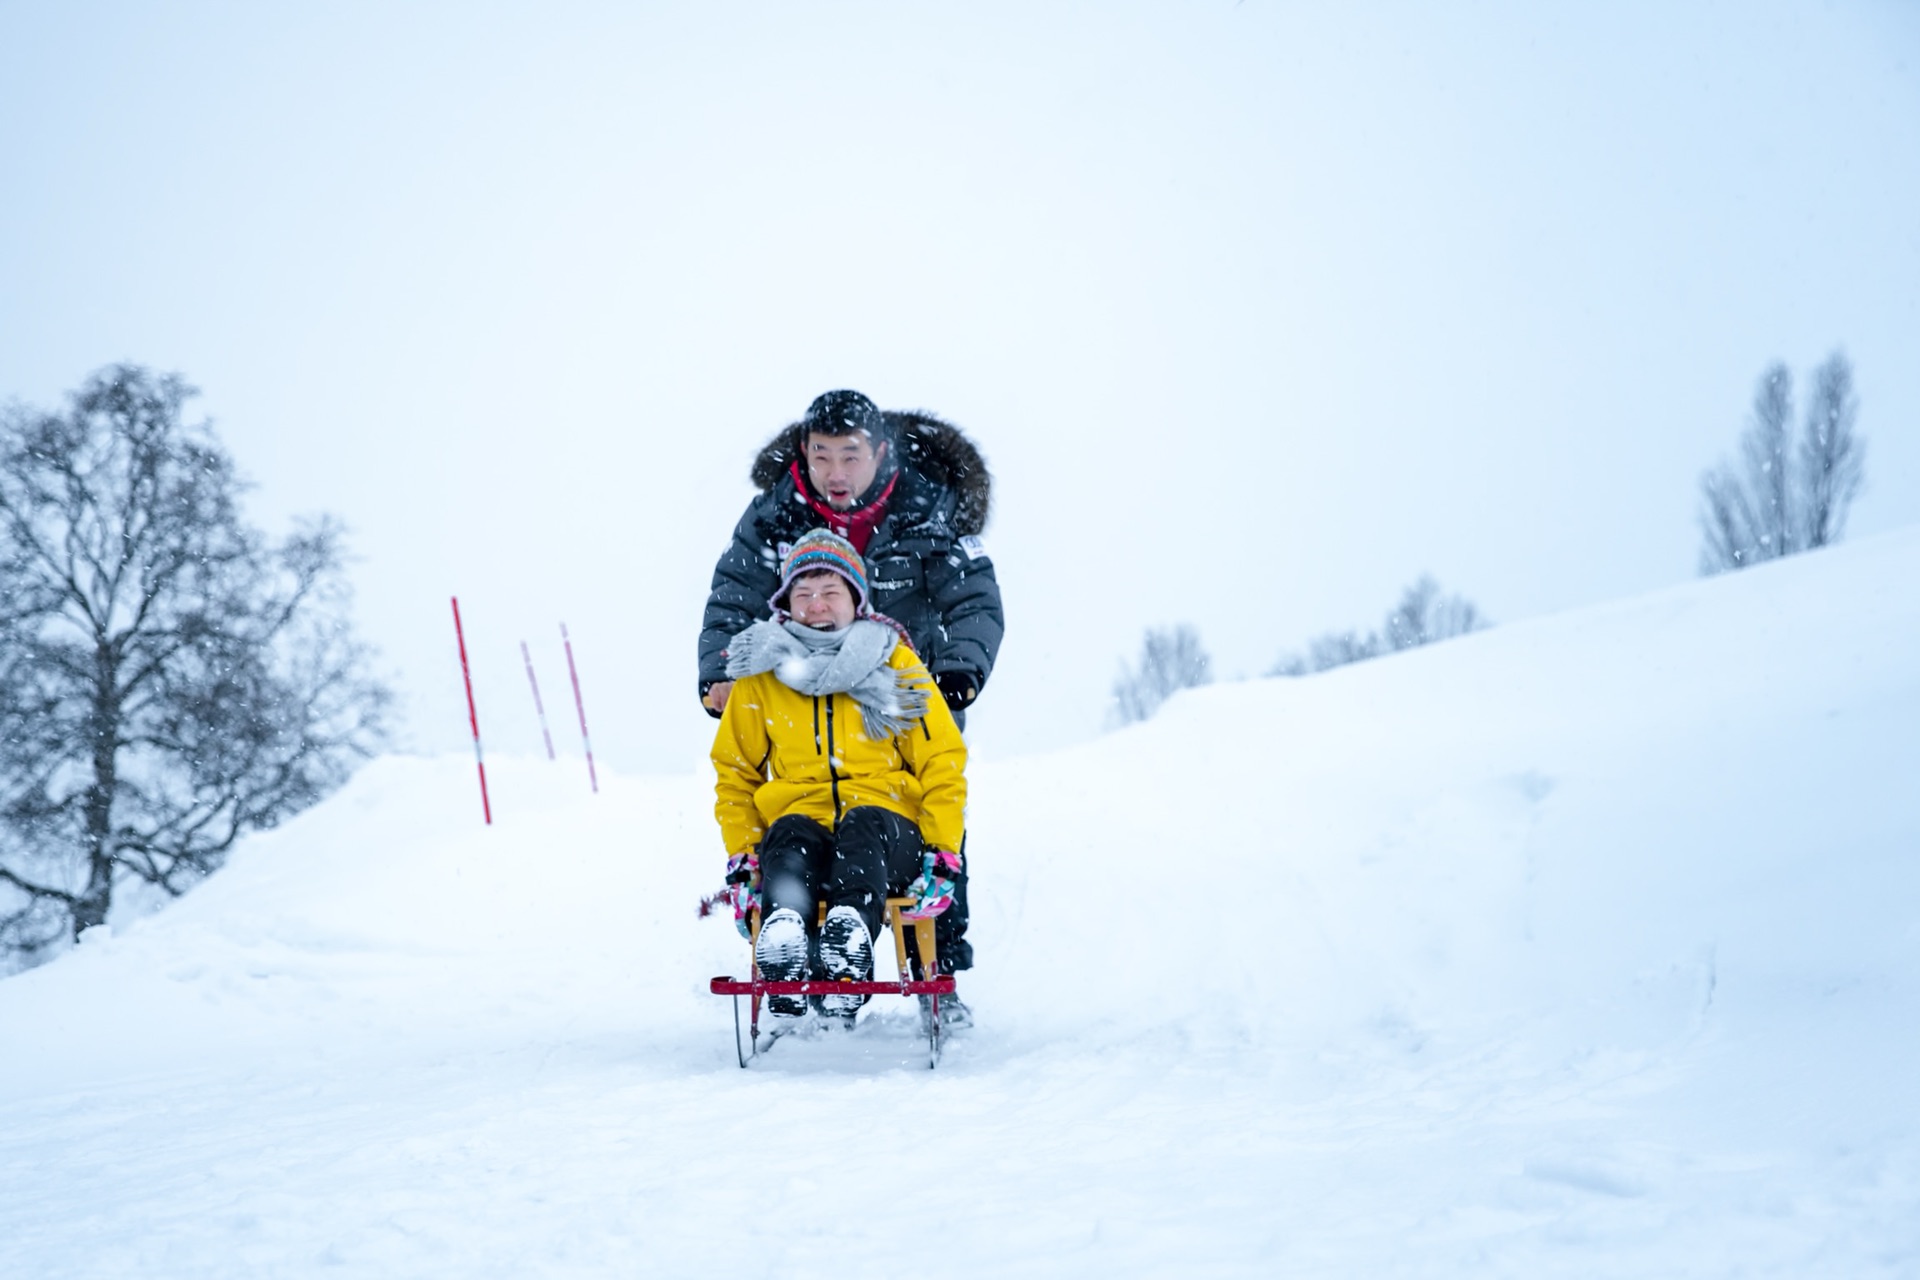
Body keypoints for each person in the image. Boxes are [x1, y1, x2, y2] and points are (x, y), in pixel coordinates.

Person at [699, 389, 1000, 1002]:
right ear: (802, 456)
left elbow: (972, 597)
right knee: (798, 830)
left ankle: (937, 966)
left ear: (881, 454)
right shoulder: (774, 518)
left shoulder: (923, 513)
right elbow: (733, 591)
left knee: (921, 812)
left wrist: (957, 671)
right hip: (797, 697)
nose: (835, 473)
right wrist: (719, 672)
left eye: (850, 457)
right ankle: (801, 940)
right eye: (821, 456)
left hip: (903, 695)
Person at [711, 530, 967, 1031]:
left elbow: (941, 759)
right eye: (803, 594)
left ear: (856, 598)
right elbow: (735, 773)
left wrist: (942, 848)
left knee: (864, 827)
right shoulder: (762, 676)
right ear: (786, 604)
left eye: (830, 591)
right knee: (788, 835)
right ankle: (785, 940)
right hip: (802, 821)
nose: (816, 605)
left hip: (887, 828)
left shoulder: (894, 662)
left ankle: (847, 942)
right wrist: (743, 854)